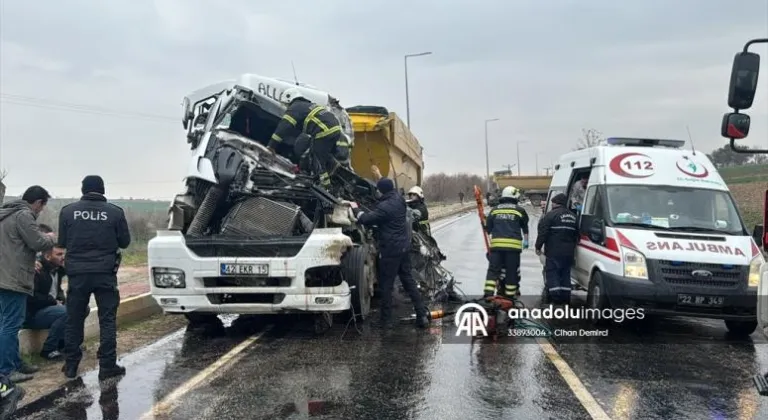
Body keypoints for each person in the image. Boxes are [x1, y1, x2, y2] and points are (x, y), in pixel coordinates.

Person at [58, 176, 131, 380]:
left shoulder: (68, 211)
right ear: (103, 190)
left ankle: (71, 365)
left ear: (82, 190)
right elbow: (124, 242)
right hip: (105, 274)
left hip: (77, 275)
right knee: (107, 320)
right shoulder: (115, 212)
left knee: (74, 319)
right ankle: (107, 366)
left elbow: (62, 241)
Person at [352, 170, 429, 329]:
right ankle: (422, 315)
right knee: (408, 281)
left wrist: (356, 208)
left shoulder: (385, 207)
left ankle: (385, 321)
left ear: (381, 191)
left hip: (391, 250)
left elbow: (366, 219)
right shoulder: (399, 200)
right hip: (403, 247)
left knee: (386, 285)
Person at [0, 185, 56, 383]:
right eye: (42, 207)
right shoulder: (23, 215)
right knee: (10, 324)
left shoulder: (7, 213)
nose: (40, 212)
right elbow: (38, 243)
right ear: (38, 202)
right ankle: (6, 370)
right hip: (13, 278)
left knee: (8, 322)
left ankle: (15, 363)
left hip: (4, 276)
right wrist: (49, 237)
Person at [267, 87, 344, 188]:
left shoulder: (294, 108)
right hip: (335, 129)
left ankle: (326, 186)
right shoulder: (308, 105)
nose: (286, 107)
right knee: (318, 150)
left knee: (317, 157)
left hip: (324, 130)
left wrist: (271, 146)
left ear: (289, 100)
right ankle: (333, 164)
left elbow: (283, 128)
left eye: (286, 104)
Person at [25, 224, 68, 360]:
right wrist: (53, 301)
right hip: (33, 314)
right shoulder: (37, 270)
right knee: (68, 312)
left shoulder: (59, 269)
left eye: (64, 254)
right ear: (48, 256)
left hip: (50, 309)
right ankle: (49, 349)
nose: (63, 257)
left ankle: (64, 344)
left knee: (81, 308)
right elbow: (31, 298)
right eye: (59, 254)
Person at [483, 186, 529, 298]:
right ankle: (509, 297)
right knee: (511, 272)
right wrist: (526, 241)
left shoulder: (494, 210)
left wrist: (484, 223)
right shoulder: (520, 210)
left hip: (496, 247)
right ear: (514, 196)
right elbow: (525, 228)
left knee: (493, 271)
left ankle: (488, 296)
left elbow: (488, 230)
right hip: (513, 249)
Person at [535, 193, 579, 304]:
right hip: (569, 252)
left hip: (554, 251)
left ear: (555, 203)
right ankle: (565, 299)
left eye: (553, 203)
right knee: (565, 275)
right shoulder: (573, 217)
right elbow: (577, 235)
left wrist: (538, 247)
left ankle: (556, 299)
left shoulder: (550, 215)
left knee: (553, 274)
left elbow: (543, 233)